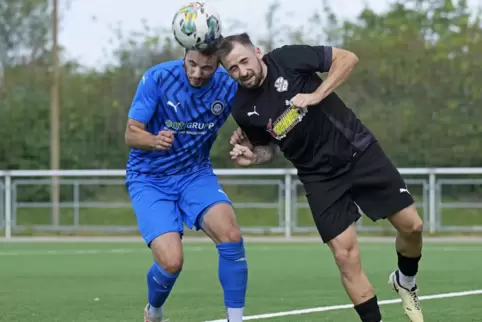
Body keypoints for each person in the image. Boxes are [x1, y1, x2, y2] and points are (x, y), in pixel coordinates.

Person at [217, 33, 424, 322]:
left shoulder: (288, 58)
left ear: (258, 53)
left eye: (244, 61)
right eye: (233, 69)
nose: (242, 71)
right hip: (318, 178)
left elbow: (347, 58)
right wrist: (254, 157)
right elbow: (271, 146)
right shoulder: (240, 108)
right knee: (345, 257)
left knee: (412, 226)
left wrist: (316, 95)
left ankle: (405, 281)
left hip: (357, 151)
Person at [124, 46, 247, 322]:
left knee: (231, 235)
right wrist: (154, 141)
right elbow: (131, 133)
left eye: (206, 68)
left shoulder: (228, 85)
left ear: (218, 64)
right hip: (149, 178)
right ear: (184, 55)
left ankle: (236, 319)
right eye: (191, 64)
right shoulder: (158, 78)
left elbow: (252, 117)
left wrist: (247, 136)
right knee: (171, 262)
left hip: (195, 173)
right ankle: (153, 312)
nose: (196, 73)